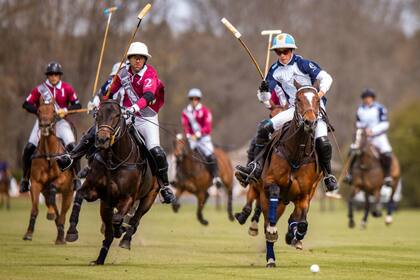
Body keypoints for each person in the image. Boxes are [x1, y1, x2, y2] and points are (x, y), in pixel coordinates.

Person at [57, 42, 175, 203]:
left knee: (156, 151)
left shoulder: (150, 75)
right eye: (135, 58)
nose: (138, 61)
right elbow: (110, 92)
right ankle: (71, 157)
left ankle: (164, 186)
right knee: (99, 130)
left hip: (146, 116)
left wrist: (134, 108)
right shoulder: (123, 73)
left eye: (141, 58)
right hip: (126, 114)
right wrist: (97, 103)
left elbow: (148, 96)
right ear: (130, 59)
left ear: (145, 60)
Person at [235, 33, 338, 192]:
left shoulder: (302, 64)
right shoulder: (274, 70)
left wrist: (319, 95)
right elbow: (265, 98)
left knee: (322, 141)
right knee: (264, 128)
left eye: (286, 51)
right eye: (279, 52)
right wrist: (263, 92)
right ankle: (256, 165)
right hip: (294, 108)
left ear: (292, 50)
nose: (282, 55)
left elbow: (327, 78)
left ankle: (328, 175)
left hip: (313, 107)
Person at [20, 62, 82, 193]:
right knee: (29, 148)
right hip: (42, 123)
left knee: (72, 146)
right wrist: (39, 111)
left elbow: (77, 105)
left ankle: (76, 178)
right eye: (50, 74)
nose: (53, 77)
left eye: (56, 74)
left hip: (60, 122)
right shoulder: (40, 89)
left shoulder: (67, 88)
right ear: (47, 76)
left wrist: (66, 109)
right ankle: (25, 179)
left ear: (60, 76)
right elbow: (26, 104)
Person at [345, 88, 393, 186]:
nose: (367, 100)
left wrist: (373, 130)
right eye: (365, 98)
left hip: (378, 136)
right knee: (352, 150)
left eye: (369, 98)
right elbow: (358, 122)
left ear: (373, 99)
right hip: (363, 136)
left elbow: (385, 124)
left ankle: (387, 176)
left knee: (387, 152)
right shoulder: (360, 109)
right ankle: (349, 174)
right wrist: (361, 128)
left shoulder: (380, 108)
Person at [181, 88, 223, 188]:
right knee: (181, 155)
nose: (194, 101)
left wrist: (198, 135)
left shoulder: (205, 111)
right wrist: (188, 135)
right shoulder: (186, 112)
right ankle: (179, 178)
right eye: (192, 99)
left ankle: (216, 177)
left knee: (210, 155)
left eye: (196, 99)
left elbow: (207, 127)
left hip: (204, 139)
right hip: (191, 139)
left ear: (199, 100)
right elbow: (185, 125)